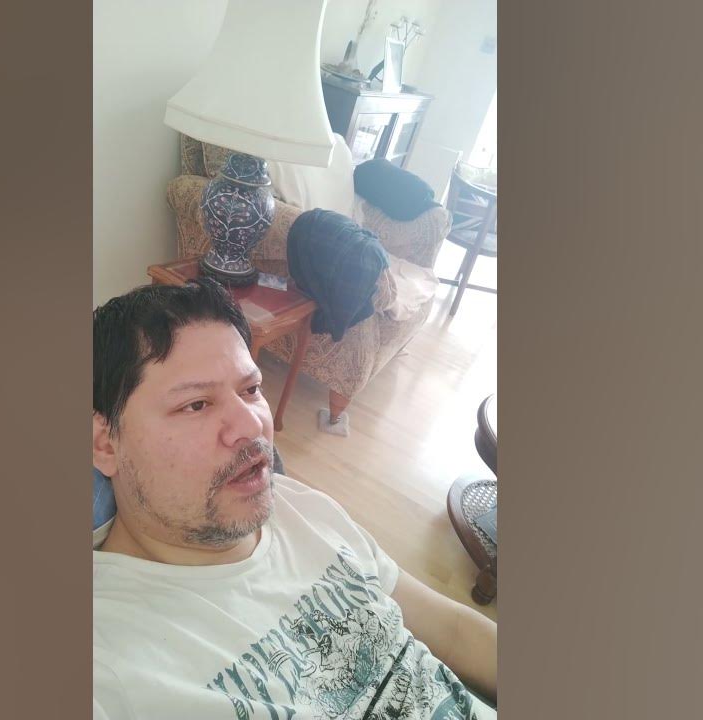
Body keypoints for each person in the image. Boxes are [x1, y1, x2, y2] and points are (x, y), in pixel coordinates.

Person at [92, 279, 497, 719]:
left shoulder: (299, 504)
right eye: (196, 405)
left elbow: (454, 631)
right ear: (105, 444)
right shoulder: (108, 664)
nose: (252, 425)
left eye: (250, 389)